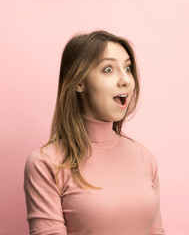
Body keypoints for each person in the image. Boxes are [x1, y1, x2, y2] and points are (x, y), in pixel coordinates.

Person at [24, 30, 166, 235]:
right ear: (79, 82)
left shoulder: (145, 158)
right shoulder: (46, 164)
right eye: (108, 69)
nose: (125, 79)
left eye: (127, 68)